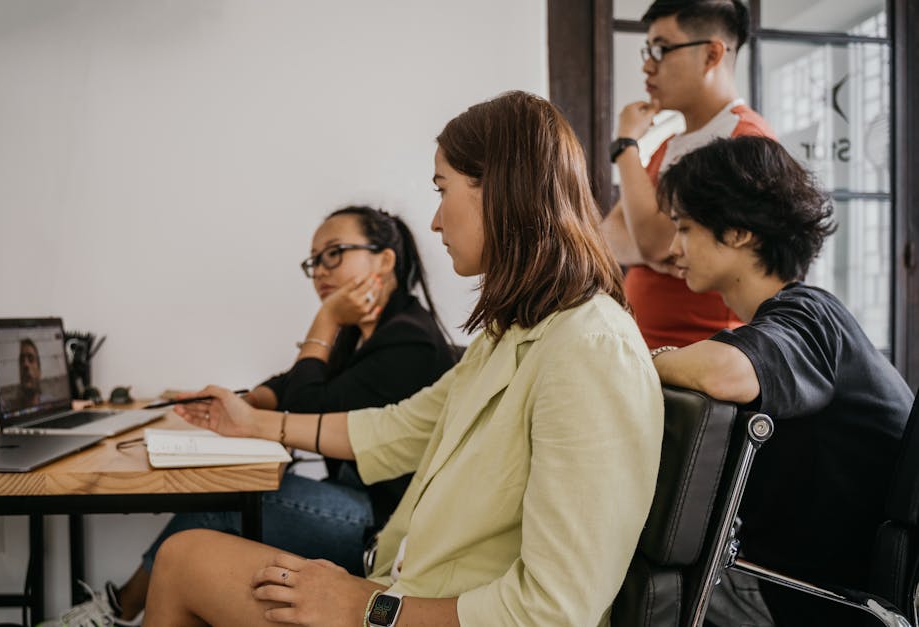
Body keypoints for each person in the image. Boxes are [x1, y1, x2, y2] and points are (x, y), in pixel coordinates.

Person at [141, 91, 664, 626]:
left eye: (443, 191)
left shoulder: (590, 349)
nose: (435, 221)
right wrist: (251, 421)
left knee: (184, 558)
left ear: (501, 190)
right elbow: (396, 430)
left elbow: (556, 611)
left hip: (411, 608)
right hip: (404, 586)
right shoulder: (508, 335)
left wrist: (368, 607)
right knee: (186, 554)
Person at [48, 206, 457, 627]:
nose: (320, 271)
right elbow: (290, 384)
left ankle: (118, 611)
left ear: (384, 259)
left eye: (334, 253)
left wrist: (327, 318)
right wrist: (243, 402)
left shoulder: (409, 339)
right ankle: (124, 608)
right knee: (218, 504)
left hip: (379, 523)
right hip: (352, 497)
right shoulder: (362, 333)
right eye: (314, 260)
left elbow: (307, 405)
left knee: (217, 507)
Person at [651, 136, 913, 626]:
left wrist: (644, 360)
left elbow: (725, 372)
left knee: (637, 587)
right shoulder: (782, 324)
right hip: (803, 585)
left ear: (738, 232)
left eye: (685, 228)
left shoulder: (811, 316)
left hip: (828, 601)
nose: (672, 249)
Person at [601, 0, 774, 349]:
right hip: (648, 349)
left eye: (661, 49)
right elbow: (609, 235)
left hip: (702, 357)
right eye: (647, 51)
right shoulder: (670, 143)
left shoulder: (744, 142)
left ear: (712, 55)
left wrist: (625, 145)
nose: (648, 66)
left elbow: (650, 239)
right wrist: (656, 249)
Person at [17, 338, 42, 409]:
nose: (25, 364)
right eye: (22, 360)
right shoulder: (9, 407)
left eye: (31, 359)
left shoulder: (51, 404)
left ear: (39, 371)